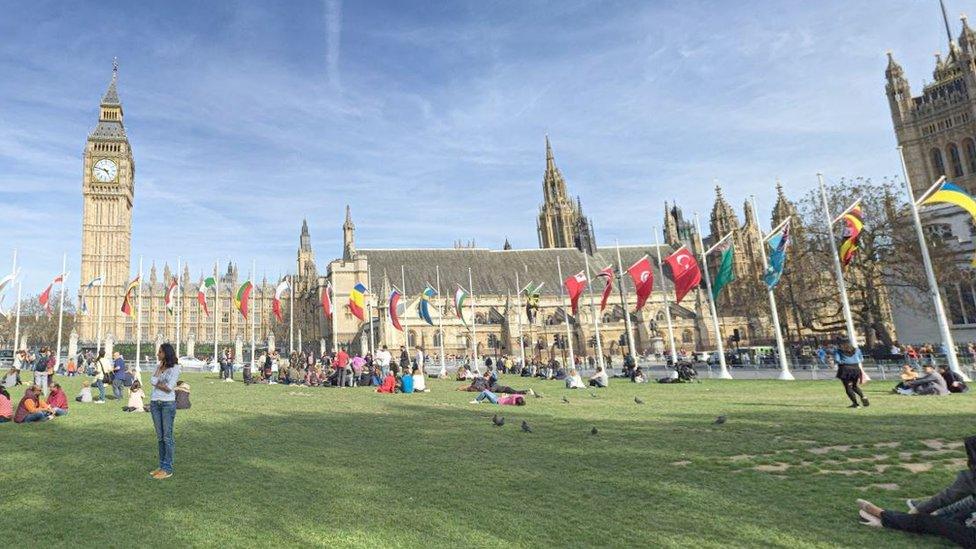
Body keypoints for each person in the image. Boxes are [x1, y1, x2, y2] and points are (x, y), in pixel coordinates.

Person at [149, 343, 181, 479]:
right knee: (160, 437)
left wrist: (158, 383)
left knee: (167, 437)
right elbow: (152, 380)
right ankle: (161, 465)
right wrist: (159, 379)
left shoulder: (176, 368)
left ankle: (167, 468)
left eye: (160, 352)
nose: (158, 354)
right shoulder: (158, 366)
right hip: (155, 403)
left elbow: (169, 387)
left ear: (166, 353)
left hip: (167, 404)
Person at [834, 343, 869, 408]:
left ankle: (855, 404)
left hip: (845, 369)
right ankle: (863, 396)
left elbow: (837, 360)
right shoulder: (857, 350)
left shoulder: (839, 351)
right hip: (856, 368)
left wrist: (842, 361)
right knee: (854, 386)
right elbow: (861, 359)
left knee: (848, 387)